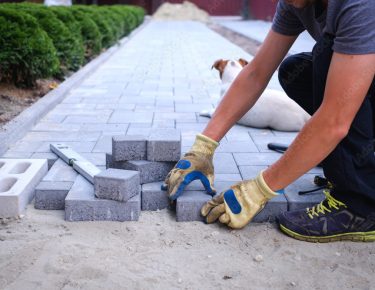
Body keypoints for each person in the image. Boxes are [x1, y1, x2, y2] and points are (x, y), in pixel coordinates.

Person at [163, 0, 375, 242]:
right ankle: (360, 160)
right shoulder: (295, 3)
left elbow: (335, 119)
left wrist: (259, 189)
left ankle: (360, 207)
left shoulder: (360, 4)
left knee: (327, 58)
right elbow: (255, 74)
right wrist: (203, 148)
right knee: (297, 71)